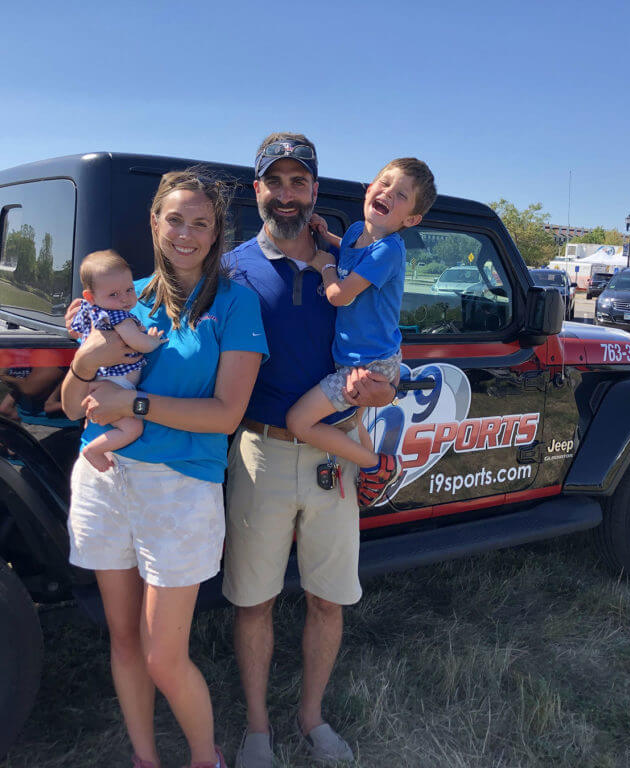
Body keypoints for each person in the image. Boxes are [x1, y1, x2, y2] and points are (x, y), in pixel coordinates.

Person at [61, 170, 268, 768]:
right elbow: (75, 408)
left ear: (217, 232)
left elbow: (228, 414)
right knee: (124, 640)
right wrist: (86, 363)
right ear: (154, 223)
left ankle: (207, 757)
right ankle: (145, 759)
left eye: (201, 223)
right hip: (103, 480)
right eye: (175, 219)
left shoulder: (234, 302)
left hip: (179, 488)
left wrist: (137, 405)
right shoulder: (126, 296)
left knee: (161, 655)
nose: (186, 233)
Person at [221, 133, 398, 768]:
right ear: (257, 190)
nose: (288, 195)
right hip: (259, 454)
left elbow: (382, 345)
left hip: (334, 455)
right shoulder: (232, 268)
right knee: (254, 601)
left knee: (328, 599)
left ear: (315, 192)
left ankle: (312, 718)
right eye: (277, 182)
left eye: (300, 183)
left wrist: (377, 398)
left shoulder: (349, 261)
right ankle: (259, 731)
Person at [285, 158, 436, 508]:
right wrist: (326, 237)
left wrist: (324, 266)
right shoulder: (355, 231)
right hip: (357, 358)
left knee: (298, 420)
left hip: (370, 365)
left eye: (400, 195)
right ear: (369, 188)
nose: (387, 193)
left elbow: (339, 295)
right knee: (354, 423)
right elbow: (350, 251)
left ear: (410, 220)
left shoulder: (389, 250)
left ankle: (377, 466)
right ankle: (378, 475)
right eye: (383, 184)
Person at [70, 249, 165, 471]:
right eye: (114, 294)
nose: (124, 298)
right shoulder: (119, 317)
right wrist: (153, 342)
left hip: (100, 380)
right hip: (113, 385)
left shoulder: (93, 311)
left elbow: (76, 332)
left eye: (129, 290)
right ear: (90, 297)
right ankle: (94, 450)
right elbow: (138, 343)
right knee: (133, 429)